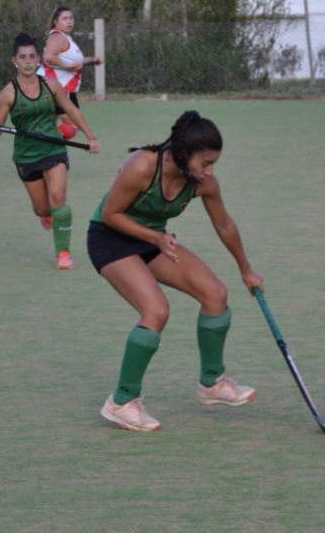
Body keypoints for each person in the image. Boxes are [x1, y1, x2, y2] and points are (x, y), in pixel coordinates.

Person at [89, 110, 264, 432]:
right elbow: (112, 214)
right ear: (184, 154)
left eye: (214, 163)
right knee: (156, 311)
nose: (209, 171)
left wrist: (246, 269)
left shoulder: (203, 184)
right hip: (110, 239)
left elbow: (224, 224)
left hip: (154, 240)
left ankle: (212, 384)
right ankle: (121, 402)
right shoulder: (143, 165)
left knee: (215, 294)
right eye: (205, 163)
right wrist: (154, 236)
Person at [0, 33, 101, 270]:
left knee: (59, 198)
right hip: (26, 155)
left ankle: (63, 253)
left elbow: (71, 110)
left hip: (54, 148)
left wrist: (91, 137)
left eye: (32, 57)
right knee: (42, 207)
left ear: (39, 59)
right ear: (14, 61)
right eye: (22, 57)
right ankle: (46, 214)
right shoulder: (8, 93)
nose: (28, 61)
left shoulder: (51, 85)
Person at [37, 6, 102, 141]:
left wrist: (91, 60)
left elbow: (73, 61)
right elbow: (49, 57)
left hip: (58, 87)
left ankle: (43, 143)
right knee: (72, 124)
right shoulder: (57, 37)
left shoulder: (66, 38)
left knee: (49, 124)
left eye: (71, 18)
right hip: (58, 88)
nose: (69, 21)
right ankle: (44, 142)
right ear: (56, 22)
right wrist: (69, 67)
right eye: (65, 19)